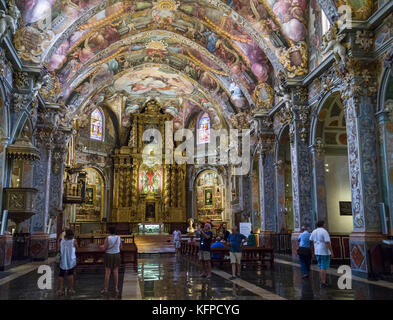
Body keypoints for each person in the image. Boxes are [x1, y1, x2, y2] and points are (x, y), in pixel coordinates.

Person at [310, 220, 334, 287]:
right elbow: (327, 242)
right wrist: (331, 252)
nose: (325, 225)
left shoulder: (314, 231)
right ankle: (323, 282)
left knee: (320, 266)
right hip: (324, 251)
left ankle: (322, 280)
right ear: (323, 225)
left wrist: (313, 250)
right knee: (324, 267)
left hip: (317, 251)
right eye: (325, 224)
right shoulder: (324, 231)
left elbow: (311, 240)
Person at [102, 226, 122, 295]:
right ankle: (116, 288)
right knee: (115, 271)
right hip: (117, 255)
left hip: (109, 255)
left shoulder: (108, 238)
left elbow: (105, 248)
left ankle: (106, 289)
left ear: (109, 231)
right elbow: (121, 247)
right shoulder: (118, 237)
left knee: (108, 272)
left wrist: (102, 247)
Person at [57, 228, 78, 296]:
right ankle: (71, 289)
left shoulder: (62, 241)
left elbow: (59, 248)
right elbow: (76, 247)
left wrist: (58, 239)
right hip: (70, 260)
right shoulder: (74, 241)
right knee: (70, 274)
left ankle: (60, 290)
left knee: (61, 274)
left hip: (63, 259)